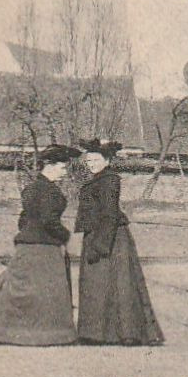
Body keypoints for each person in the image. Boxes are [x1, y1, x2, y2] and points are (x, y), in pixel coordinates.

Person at [0, 144, 80, 346]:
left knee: (15, 288)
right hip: (44, 247)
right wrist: (64, 236)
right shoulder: (49, 191)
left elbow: (23, 219)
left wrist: (26, 235)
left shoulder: (32, 188)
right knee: (48, 291)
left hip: (27, 244)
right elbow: (49, 221)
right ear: (49, 166)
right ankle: (48, 334)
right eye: (62, 167)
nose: (64, 172)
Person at [74, 139, 164, 346]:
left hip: (110, 237)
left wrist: (100, 245)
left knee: (116, 283)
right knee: (100, 284)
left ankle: (123, 333)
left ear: (106, 160)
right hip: (99, 235)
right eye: (88, 160)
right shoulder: (99, 179)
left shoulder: (109, 180)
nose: (91, 163)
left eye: (95, 159)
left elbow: (109, 214)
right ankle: (98, 333)